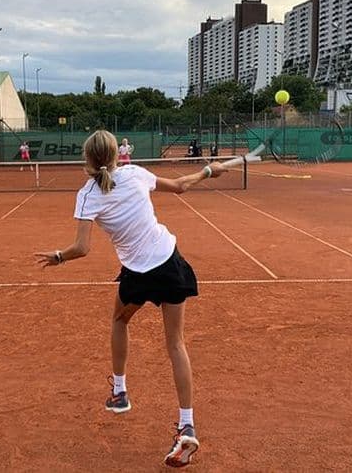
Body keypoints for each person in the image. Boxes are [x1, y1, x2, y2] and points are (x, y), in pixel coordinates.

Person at [34, 130, 226, 468]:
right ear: (115, 154)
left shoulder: (87, 194)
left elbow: (82, 248)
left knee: (119, 320)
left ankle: (120, 392)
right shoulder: (135, 172)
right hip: (170, 262)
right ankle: (187, 425)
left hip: (137, 274)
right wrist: (208, 171)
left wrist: (58, 257)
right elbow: (181, 185)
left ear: (88, 159)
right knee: (176, 344)